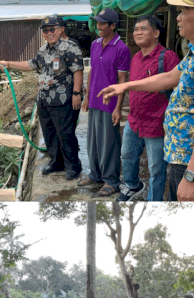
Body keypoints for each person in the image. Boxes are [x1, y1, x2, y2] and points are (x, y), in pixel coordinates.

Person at [99, 0, 194, 201]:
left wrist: (191, 176)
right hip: (184, 155)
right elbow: (170, 77)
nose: (178, 18)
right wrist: (125, 86)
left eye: (184, 11)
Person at [0, 16, 84, 180]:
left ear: (60, 29)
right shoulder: (44, 50)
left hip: (63, 100)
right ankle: (56, 162)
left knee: (65, 133)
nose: (48, 33)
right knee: (50, 133)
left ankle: (73, 166)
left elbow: (78, 70)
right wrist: (8, 64)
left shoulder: (70, 47)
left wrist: (77, 94)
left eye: (52, 29)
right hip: (44, 99)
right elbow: (31, 64)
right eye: (45, 30)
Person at [116, 15, 181, 202]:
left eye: (143, 29)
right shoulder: (135, 57)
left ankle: (154, 201)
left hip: (156, 123)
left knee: (156, 168)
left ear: (156, 33)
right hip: (134, 120)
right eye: (136, 29)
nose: (138, 32)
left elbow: (177, 87)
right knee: (127, 156)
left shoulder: (167, 57)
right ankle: (131, 185)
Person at [77, 8, 131, 196]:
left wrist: (118, 108)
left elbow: (122, 80)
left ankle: (111, 181)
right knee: (93, 142)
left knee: (109, 143)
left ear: (113, 26)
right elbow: (92, 71)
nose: (98, 27)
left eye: (102, 23)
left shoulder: (121, 48)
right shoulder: (95, 44)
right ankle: (95, 174)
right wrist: (87, 97)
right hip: (94, 101)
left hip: (109, 103)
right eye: (97, 23)